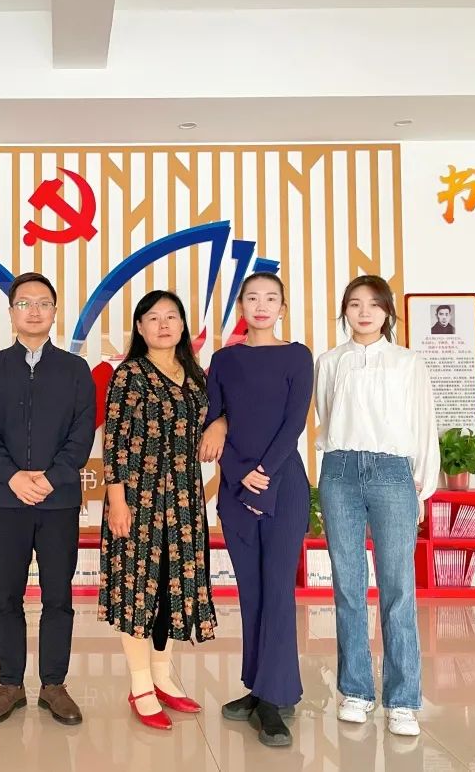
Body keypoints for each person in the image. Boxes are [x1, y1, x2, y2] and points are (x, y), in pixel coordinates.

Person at [0, 272, 96, 726]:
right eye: (25, 303)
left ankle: (54, 685)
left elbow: (82, 433)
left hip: (59, 502)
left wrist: (52, 478)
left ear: (55, 312)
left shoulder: (75, 370)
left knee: (58, 594)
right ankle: (10, 684)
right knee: (7, 594)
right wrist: (13, 477)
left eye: (43, 303)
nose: (34, 310)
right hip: (7, 501)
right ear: (11, 313)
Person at [314, 274, 438, 738]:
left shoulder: (408, 363)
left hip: (392, 472)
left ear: (388, 311)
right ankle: (356, 691)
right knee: (347, 586)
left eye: (373, 303)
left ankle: (403, 700)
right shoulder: (330, 362)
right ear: (344, 311)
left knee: (398, 587)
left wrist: (420, 487)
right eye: (354, 303)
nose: (363, 312)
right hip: (340, 471)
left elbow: (423, 423)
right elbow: (326, 414)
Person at [198, 272, 313, 747]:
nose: (261, 305)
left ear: (282, 308)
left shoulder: (297, 356)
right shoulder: (224, 360)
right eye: (252, 298)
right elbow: (211, 420)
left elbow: (294, 423)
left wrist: (262, 472)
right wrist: (241, 471)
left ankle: (275, 698)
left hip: (283, 485)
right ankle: (257, 685)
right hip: (236, 489)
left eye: (271, 298)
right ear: (241, 307)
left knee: (278, 592)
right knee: (251, 593)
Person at [99, 290, 217, 731]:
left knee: (173, 587)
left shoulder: (196, 375)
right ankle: (140, 685)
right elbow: (113, 439)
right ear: (140, 327)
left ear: (183, 325)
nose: (164, 324)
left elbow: (214, 420)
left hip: (185, 498)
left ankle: (163, 677)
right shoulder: (129, 374)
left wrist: (221, 425)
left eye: (172, 316)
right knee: (138, 589)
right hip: (139, 496)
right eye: (153, 317)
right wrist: (116, 500)